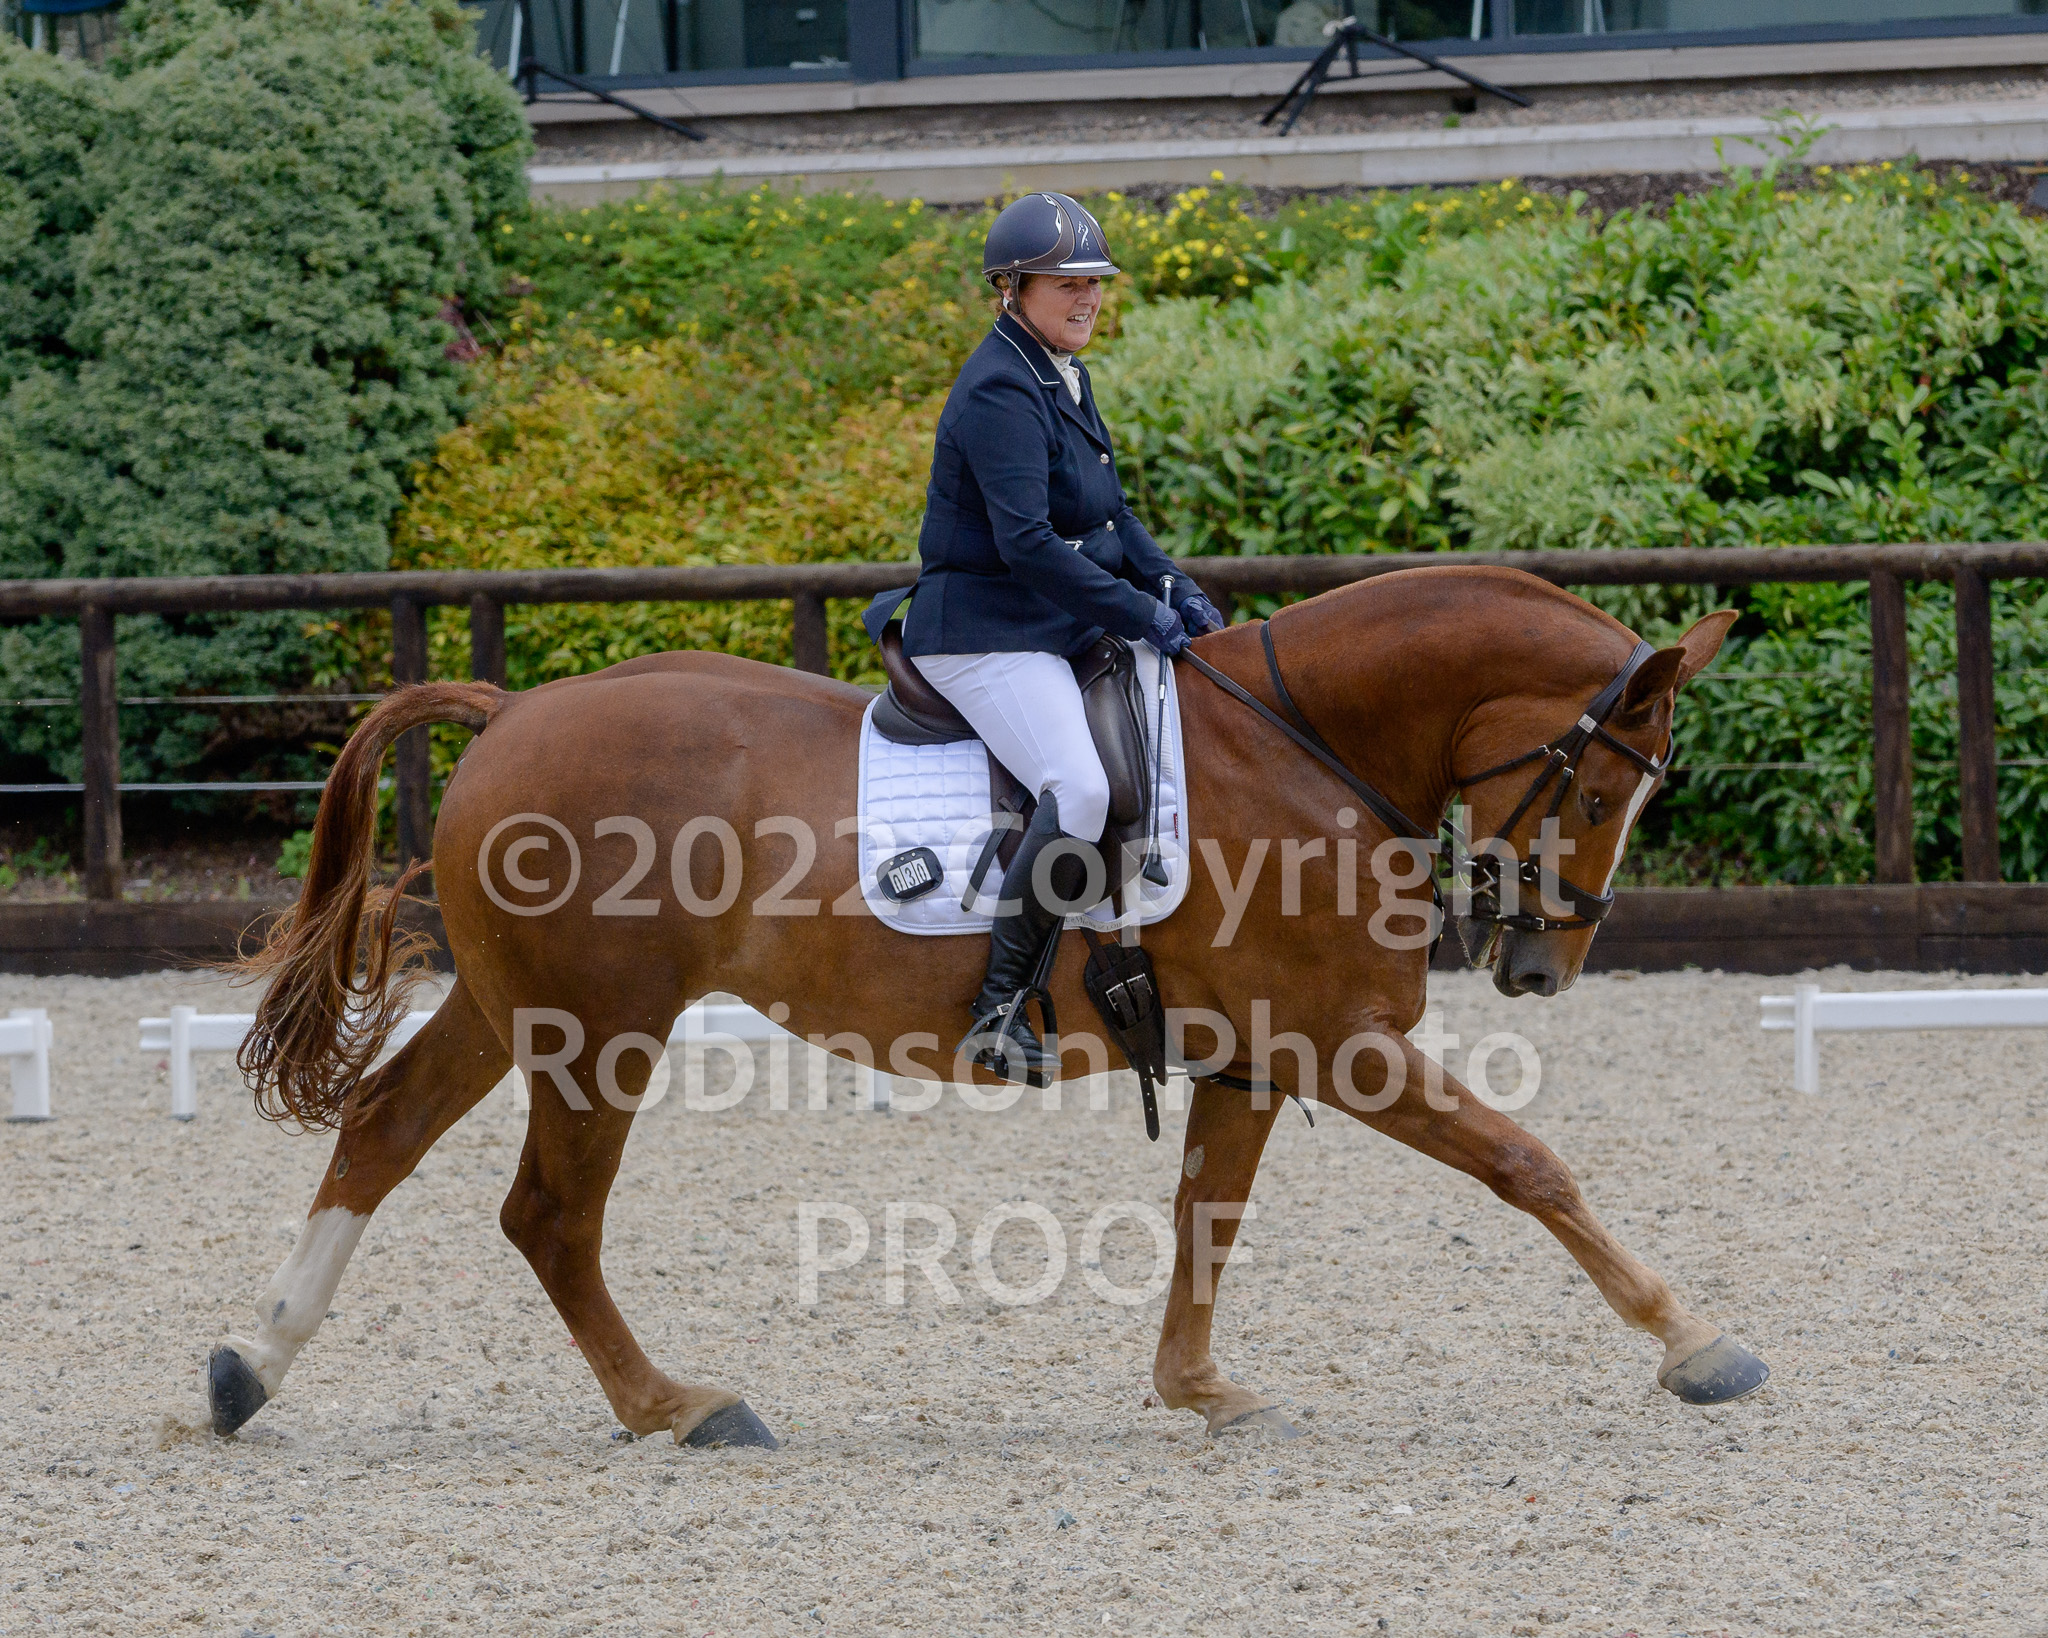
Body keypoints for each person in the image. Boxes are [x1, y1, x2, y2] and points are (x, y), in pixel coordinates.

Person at [867, 192, 1227, 1084]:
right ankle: (997, 1008)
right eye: (1067, 284)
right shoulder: (999, 386)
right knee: (1080, 786)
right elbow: (1027, 544)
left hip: (1051, 624)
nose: (1088, 298)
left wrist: (1173, 584)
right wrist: (1139, 615)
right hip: (987, 632)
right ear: (1011, 288)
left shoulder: (1061, 372)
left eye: (1094, 283)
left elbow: (1112, 518)